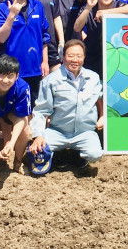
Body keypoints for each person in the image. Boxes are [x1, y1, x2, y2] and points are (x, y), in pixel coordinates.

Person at [27, 40, 105, 174]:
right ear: (63, 57)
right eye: (71, 56)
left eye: (79, 56)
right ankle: (59, 153)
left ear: (84, 58)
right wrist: (38, 135)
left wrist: (102, 116)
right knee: (39, 151)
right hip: (58, 132)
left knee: (95, 154)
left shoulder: (93, 78)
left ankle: (76, 154)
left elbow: (101, 98)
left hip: (85, 132)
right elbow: (41, 111)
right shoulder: (51, 80)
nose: (75, 60)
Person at [0, 0, 50, 98]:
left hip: (34, 68)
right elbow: (1, 37)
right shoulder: (1, 9)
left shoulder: (37, 6)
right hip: (10, 70)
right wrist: (11, 16)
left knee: (33, 105)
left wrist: (45, 61)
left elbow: (44, 36)